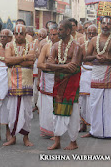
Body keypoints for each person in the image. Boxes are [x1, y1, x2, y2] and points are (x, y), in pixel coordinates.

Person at [82, 16, 111, 138]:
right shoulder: (94, 40)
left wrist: (109, 59)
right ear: (100, 25)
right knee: (95, 103)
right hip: (96, 73)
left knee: (110, 104)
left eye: (108, 24)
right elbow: (86, 57)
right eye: (103, 23)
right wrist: (96, 57)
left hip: (110, 72)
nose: (105, 26)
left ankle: (110, 132)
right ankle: (95, 131)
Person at [46, 19, 82, 150]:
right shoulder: (55, 46)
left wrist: (56, 66)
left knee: (73, 113)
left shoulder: (77, 47)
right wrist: (64, 66)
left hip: (72, 84)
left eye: (60, 30)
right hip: (58, 83)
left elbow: (73, 68)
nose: (58, 32)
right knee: (56, 112)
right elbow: (48, 65)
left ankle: (73, 142)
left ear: (68, 31)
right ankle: (57, 141)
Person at [3, 24, 35, 147]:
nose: (18, 36)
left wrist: (16, 60)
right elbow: (7, 61)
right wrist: (24, 57)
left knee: (26, 111)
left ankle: (26, 138)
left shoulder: (31, 45)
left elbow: (31, 61)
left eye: (21, 33)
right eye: (16, 33)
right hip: (13, 82)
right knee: (12, 110)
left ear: (25, 33)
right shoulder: (9, 45)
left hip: (26, 83)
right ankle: (12, 137)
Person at [36, 23, 60, 138]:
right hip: (46, 79)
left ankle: (57, 131)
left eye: (55, 34)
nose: (52, 37)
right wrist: (50, 66)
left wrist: (53, 66)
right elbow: (39, 64)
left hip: (58, 79)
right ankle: (47, 129)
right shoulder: (46, 46)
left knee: (55, 104)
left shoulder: (64, 46)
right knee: (45, 105)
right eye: (50, 34)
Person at [79, 25, 98, 132]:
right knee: (83, 101)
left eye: (93, 33)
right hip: (84, 74)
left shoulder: (100, 46)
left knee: (94, 100)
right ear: (86, 34)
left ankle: (95, 127)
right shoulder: (82, 46)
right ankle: (84, 124)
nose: (91, 35)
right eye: (89, 33)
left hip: (96, 74)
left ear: (97, 34)